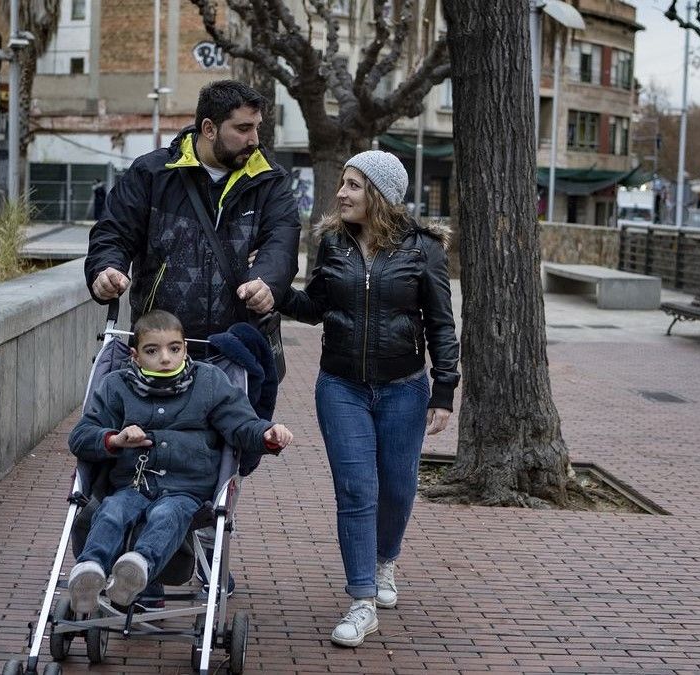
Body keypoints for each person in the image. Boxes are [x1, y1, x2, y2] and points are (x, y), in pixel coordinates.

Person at [281, 150, 460, 647]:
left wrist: (443, 388)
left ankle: (386, 563)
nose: (341, 193)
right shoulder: (333, 243)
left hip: (404, 387)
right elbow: (315, 307)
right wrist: (273, 292)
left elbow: (441, 323)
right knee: (357, 490)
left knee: (399, 488)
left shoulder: (423, 249)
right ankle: (361, 602)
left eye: (354, 185)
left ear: (379, 195)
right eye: (342, 183)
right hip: (340, 387)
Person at [65, 310, 293, 613]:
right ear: (134, 356)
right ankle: (90, 569)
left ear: (185, 348)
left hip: (186, 488)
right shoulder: (116, 386)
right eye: (152, 350)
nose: (165, 358)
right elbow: (81, 435)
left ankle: (137, 568)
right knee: (111, 512)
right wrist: (114, 439)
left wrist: (267, 433)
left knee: (167, 516)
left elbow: (240, 425)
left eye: (174, 348)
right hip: (131, 483)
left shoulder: (209, 381)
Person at [84, 79, 300, 357]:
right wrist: (107, 269)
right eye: (243, 128)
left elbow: (282, 241)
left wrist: (266, 281)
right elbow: (114, 232)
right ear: (209, 128)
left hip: (238, 348)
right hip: (161, 349)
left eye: (256, 127)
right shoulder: (151, 174)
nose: (254, 140)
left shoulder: (270, 180)